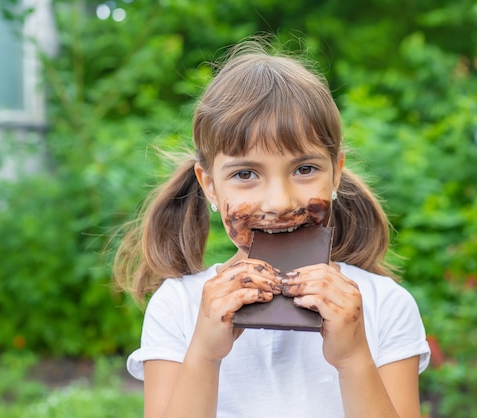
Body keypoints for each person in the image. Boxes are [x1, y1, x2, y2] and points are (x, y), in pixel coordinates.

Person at [114, 38, 430, 418]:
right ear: (209, 184)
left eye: (304, 169)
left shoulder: (383, 306)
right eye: (246, 174)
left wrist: (353, 359)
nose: (279, 202)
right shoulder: (179, 307)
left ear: (336, 174)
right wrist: (205, 354)